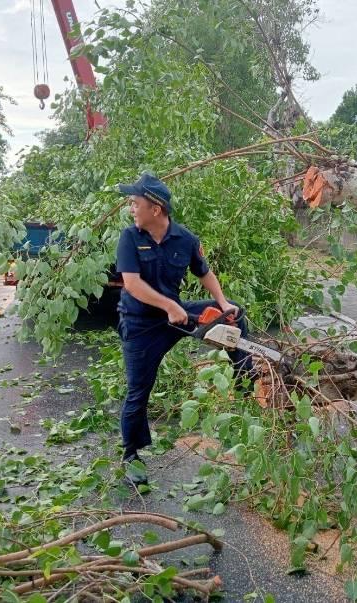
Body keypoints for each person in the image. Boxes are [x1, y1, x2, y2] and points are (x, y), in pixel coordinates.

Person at [115, 173, 253, 486]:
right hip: (140, 325)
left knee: (234, 316)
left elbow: (205, 273)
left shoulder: (185, 239)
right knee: (139, 389)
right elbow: (132, 284)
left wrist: (223, 303)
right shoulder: (130, 238)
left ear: (156, 208)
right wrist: (170, 306)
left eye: (135, 203)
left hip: (174, 316)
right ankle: (131, 455)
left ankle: (247, 380)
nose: (130, 208)